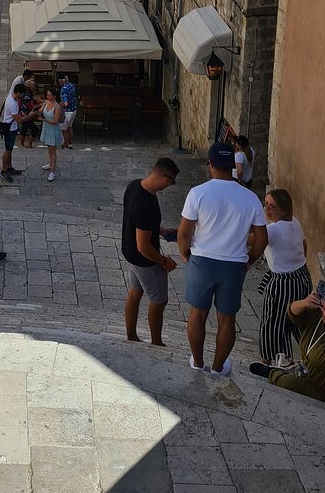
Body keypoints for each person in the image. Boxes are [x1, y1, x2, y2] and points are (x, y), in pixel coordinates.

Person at [177, 142, 267, 376]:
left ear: (210, 164)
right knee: (227, 319)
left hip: (202, 261)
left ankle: (197, 362)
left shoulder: (198, 193)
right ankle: (217, 368)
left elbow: (184, 232)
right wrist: (249, 261)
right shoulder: (250, 198)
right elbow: (262, 238)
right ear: (233, 166)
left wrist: (185, 253)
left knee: (197, 314)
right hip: (234, 264)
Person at [251, 285, 325, 415]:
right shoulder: (316, 317)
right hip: (312, 380)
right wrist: (305, 302)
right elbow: (292, 312)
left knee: (287, 382)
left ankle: (272, 373)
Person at [121, 159, 180, 345]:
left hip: (130, 253)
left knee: (135, 292)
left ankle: (131, 336)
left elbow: (136, 222)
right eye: (171, 181)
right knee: (159, 300)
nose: (170, 186)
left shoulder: (134, 186)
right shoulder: (146, 204)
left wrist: (160, 230)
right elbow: (144, 246)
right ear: (163, 177)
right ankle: (156, 343)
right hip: (145, 260)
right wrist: (164, 262)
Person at [256, 188, 311, 363]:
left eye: (272, 206)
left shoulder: (273, 229)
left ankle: (270, 360)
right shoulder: (295, 222)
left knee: (272, 322)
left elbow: (253, 240)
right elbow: (304, 246)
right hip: (302, 277)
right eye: (265, 205)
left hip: (282, 283)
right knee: (298, 321)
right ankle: (309, 356)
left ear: (283, 209)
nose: (267, 210)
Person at [0, 77, 28, 182]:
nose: (23, 97)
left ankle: (9, 167)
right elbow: (19, 120)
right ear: (18, 93)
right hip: (10, 129)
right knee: (8, 150)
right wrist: (30, 116)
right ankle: (4, 170)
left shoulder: (10, 97)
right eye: (23, 94)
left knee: (10, 149)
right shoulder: (13, 104)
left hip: (11, 127)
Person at [38, 88, 65, 181]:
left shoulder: (57, 107)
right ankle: (50, 164)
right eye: (47, 95)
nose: (48, 97)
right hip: (47, 128)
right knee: (49, 150)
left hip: (53, 130)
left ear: (54, 96)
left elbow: (55, 121)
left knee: (53, 151)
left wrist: (44, 120)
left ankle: (52, 171)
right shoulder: (46, 102)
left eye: (50, 95)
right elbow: (40, 111)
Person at [58, 72, 78, 149]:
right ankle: (70, 144)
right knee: (70, 127)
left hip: (67, 112)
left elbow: (65, 104)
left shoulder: (63, 90)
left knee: (64, 129)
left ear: (60, 81)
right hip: (74, 110)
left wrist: (59, 104)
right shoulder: (72, 85)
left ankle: (65, 145)